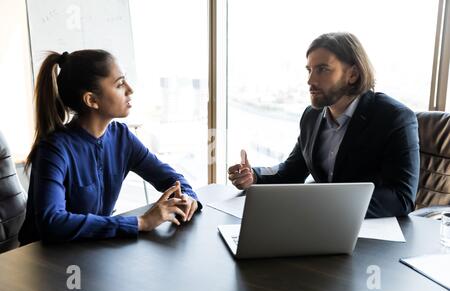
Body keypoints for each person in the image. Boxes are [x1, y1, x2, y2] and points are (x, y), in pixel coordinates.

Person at [228, 32, 419, 218]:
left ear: (352, 74)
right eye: (309, 70)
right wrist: (253, 176)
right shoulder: (312, 116)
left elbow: (402, 197)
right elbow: (292, 171)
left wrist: (328, 204)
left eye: (322, 69)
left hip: (373, 236)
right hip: (321, 227)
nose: (310, 80)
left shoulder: (395, 118)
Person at [19, 49, 201, 244]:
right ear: (92, 100)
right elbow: (52, 222)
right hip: (42, 262)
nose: (130, 89)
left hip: (90, 252)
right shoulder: (54, 150)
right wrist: (140, 222)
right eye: (120, 84)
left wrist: (189, 198)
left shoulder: (122, 137)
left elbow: (173, 179)